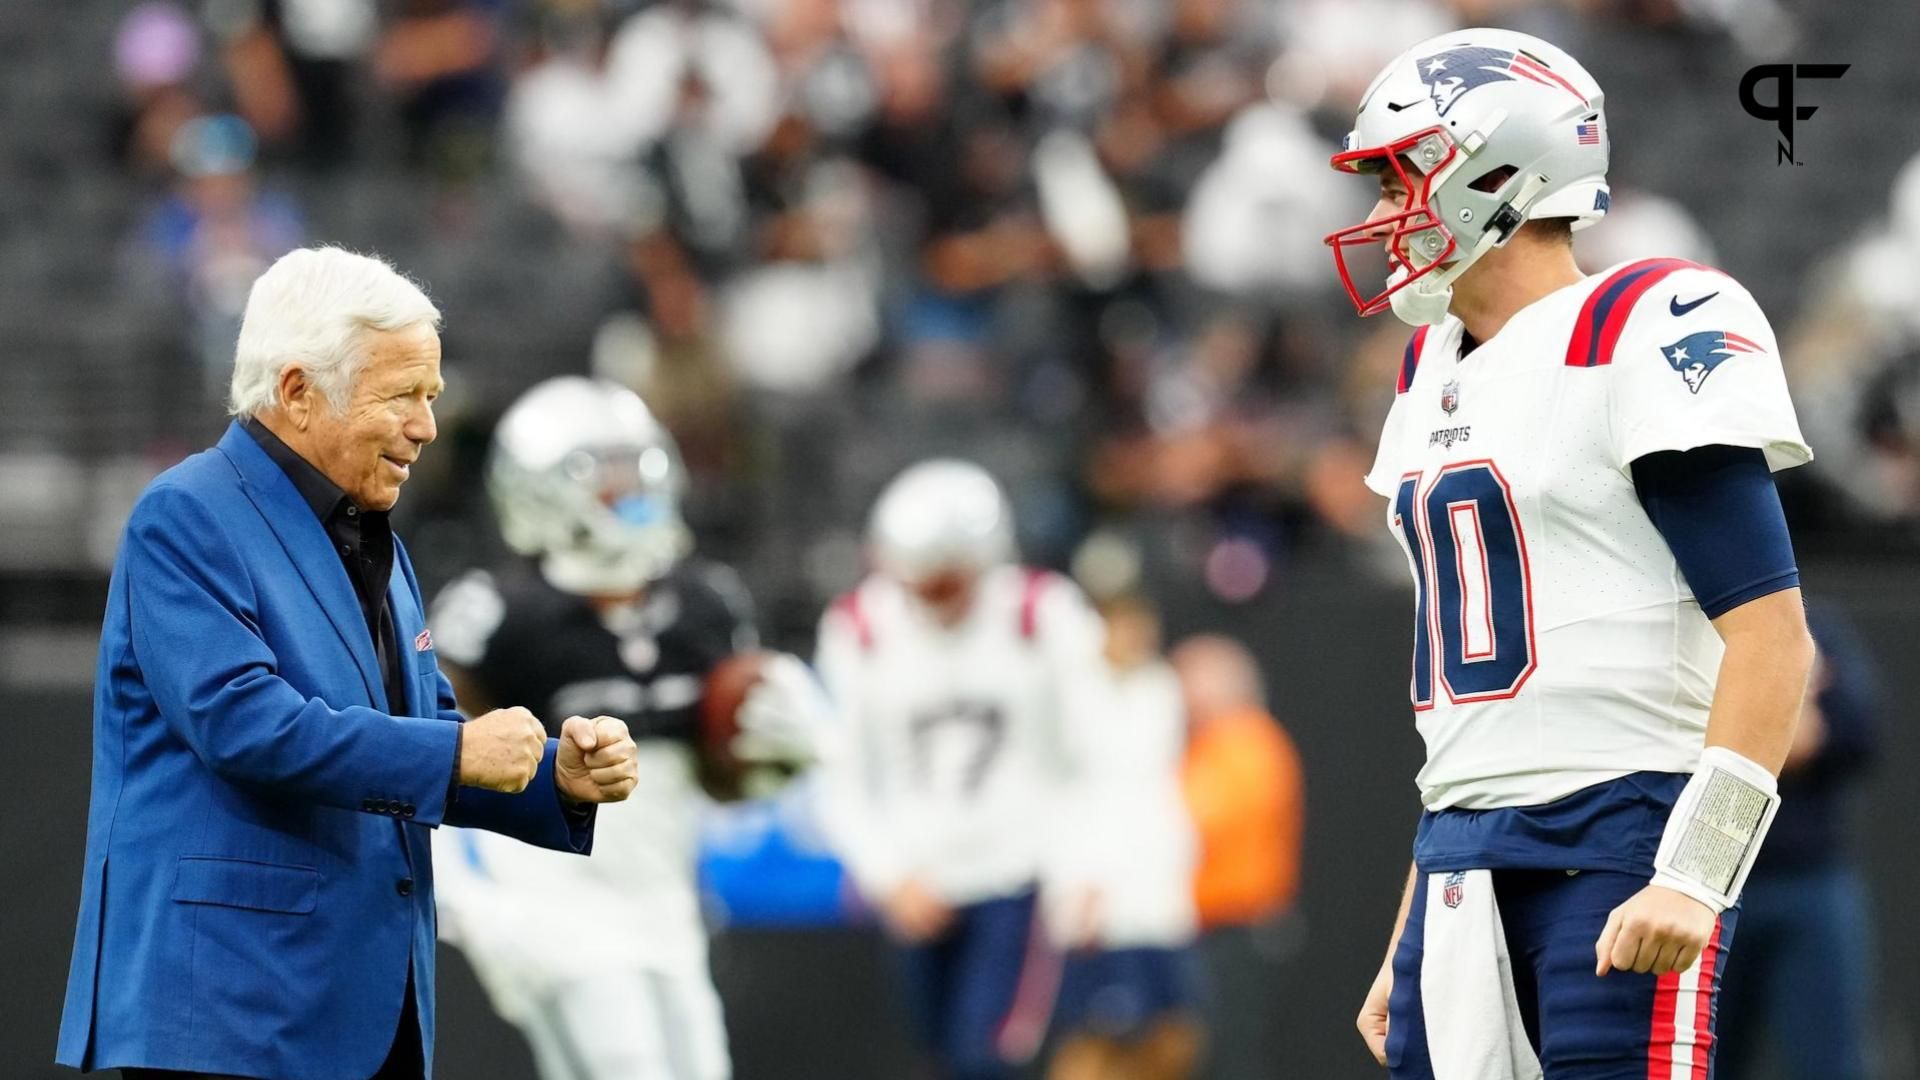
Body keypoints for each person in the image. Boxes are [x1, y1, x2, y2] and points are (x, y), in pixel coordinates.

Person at [1324, 29, 1817, 1078]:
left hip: (1620, 831)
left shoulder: (1643, 323)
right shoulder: (1422, 372)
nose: (1377, 220)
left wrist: (1697, 871)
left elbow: (1773, 637)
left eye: (1397, 180)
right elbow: (1472, 719)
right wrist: (1412, 922)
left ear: (1492, 171)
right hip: (1458, 857)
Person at [56, 247, 641, 1080]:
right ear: (297, 391)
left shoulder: (380, 542)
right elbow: (244, 723)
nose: (427, 426)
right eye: (403, 395)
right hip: (229, 1008)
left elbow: (427, 730)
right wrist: (458, 753)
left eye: (431, 397)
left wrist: (556, 779)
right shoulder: (184, 516)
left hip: (359, 1005)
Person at [427, 376, 826, 1080]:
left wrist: (778, 754)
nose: (631, 493)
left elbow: (715, 783)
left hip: (665, 906)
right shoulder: (496, 614)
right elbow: (431, 762)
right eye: (606, 478)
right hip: (556, 904)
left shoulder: (705, 602)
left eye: (637, 470)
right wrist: (472, 907)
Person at [813, 460, 1110, 1080]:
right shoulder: (860, 628)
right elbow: (837, 771)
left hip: (1015, 876)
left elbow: (1093, 752)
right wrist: (887, 874)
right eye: (922, 581)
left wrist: (1083, 867)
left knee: (986, 1062)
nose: (937, 597)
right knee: (941, 1061)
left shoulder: (1041, 613)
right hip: (920, 880)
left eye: (951, 581)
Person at [1714, 604, 1883, 1080]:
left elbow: (1849, 735)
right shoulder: (1687, 628)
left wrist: (1749, 716)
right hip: (1708, 886)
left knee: (1832, 1061)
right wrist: (1790, 700)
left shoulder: (1814, 627)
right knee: (1702, 1061)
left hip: (1809, 881)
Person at [1047, 593, 1202, 1080]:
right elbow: (1062, 797)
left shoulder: (1160, 691)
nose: (1135, 636)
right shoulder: (1070, 697)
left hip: (1159, 899)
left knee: (1175, 1030)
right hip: (1098, 902)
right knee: (1096, 1033)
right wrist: (1078, 881)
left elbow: (1159, 787)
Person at [1171, 635, 1305, 1080]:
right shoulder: (1206, 747)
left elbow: (1198, 820)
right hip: (1205, 931)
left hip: (1235, 929)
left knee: (1229, 1057)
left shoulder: (1246, 743)